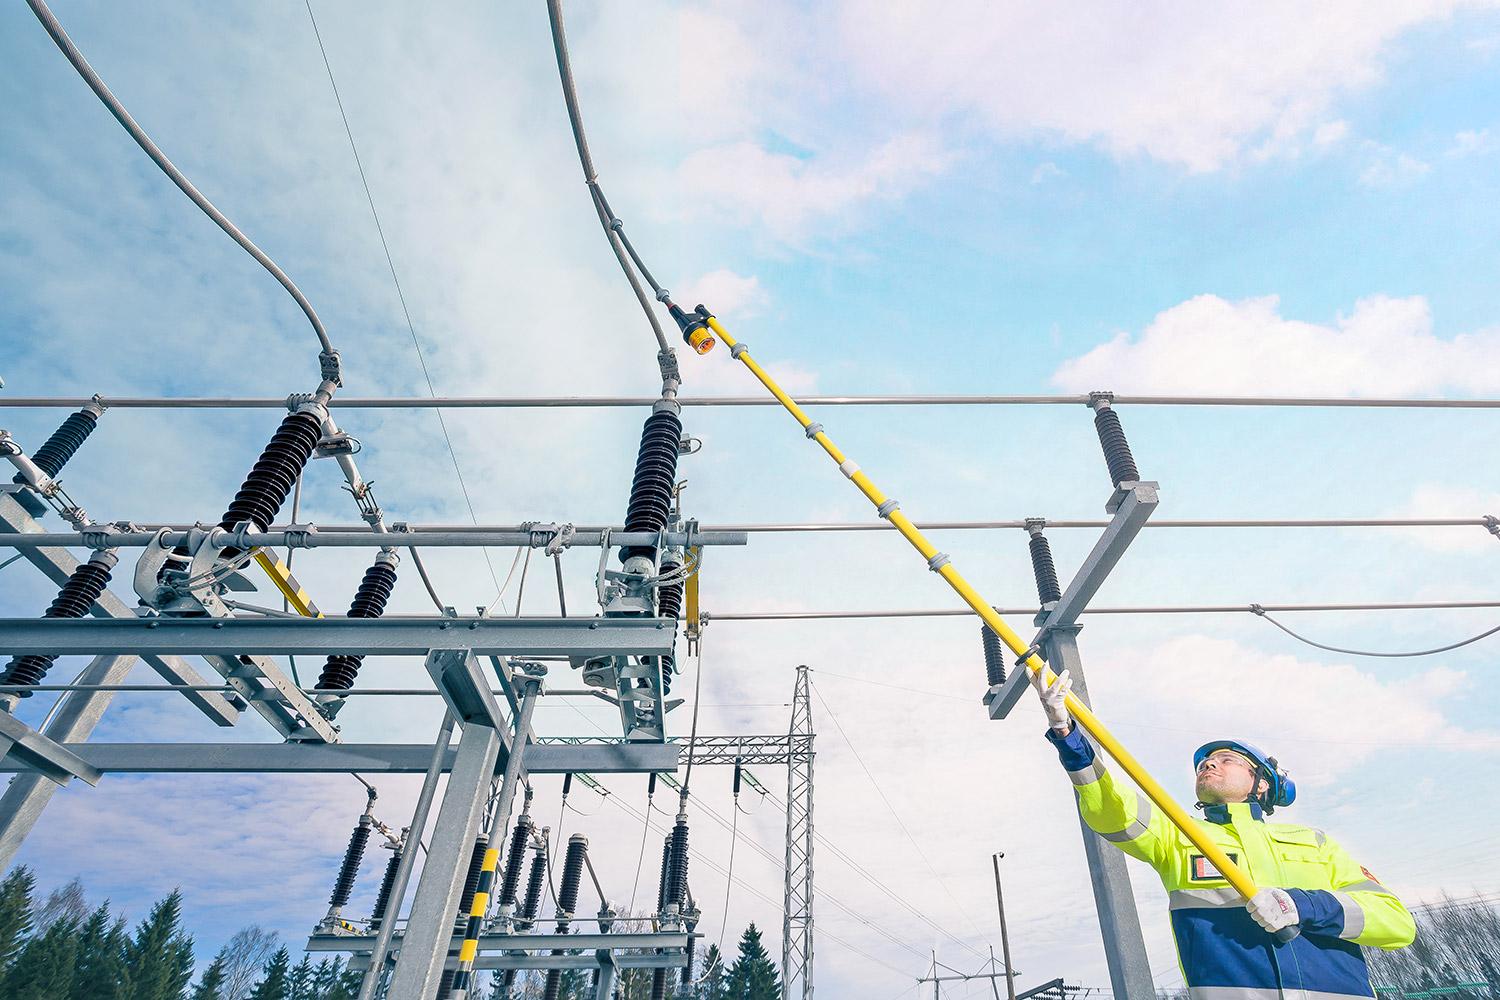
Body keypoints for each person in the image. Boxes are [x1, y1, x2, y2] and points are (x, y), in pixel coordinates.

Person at [1033, 667, 1414, 998]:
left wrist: (1304, 905)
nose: (1209, 764)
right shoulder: (1180, 836)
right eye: (1204, 763)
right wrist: (1068, 736)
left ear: (1261, 783)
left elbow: (1396, 923)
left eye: (1226, 760)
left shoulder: (1314, 843)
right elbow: (1111, 808)